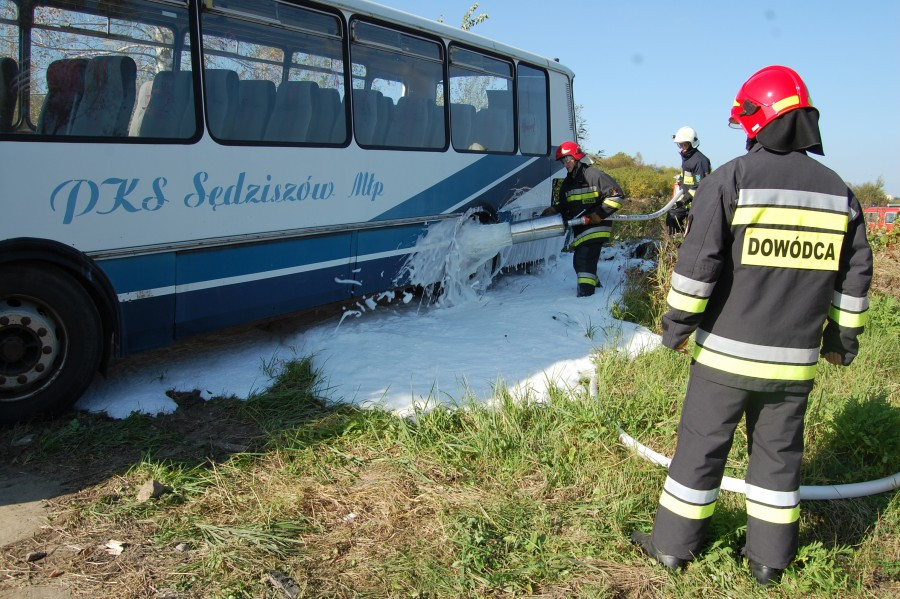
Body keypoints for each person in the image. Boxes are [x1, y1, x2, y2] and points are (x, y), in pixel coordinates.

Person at [631, 65, 873, 586]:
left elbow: (698, 268)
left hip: (724, 358)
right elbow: (853, 279)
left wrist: (675, 329)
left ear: (756, 119)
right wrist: (841, 339)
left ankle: (672, 548)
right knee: (779, 460)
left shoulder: (732, 179)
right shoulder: (839, 193)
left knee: (700, 449)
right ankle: (770, 561)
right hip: (795, 365)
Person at [542, 140, 626, 296]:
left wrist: (598, 214)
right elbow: (566, 204)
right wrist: (555, 209)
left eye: (567, 159)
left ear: (577, 157)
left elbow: (617, 196)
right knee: (579, 263)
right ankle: (598, 294)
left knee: (583, 261)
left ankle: (586, 297)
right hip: (581, 227)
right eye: (563, 161)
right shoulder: (568, 182)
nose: (565, 164)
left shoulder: (593, 175)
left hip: (596, 226)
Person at [666, 126, 712, 236]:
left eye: (684, 145)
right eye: (679, 145)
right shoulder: (687, 159)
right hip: (686, 201)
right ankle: (675, 243)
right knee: (672, 216)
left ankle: (685, 243)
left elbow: (701, 185)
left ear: (692, 144)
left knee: (693, 231)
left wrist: (684, 200)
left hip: (696, 203)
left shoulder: (700, 161)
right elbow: (686, 180)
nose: (682, 148)